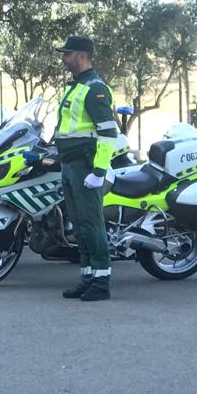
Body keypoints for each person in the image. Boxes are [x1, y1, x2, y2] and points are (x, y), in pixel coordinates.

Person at [54, 36, 117, 302]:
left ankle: (101, 283)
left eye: (67, 54)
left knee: (92, 225)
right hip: (70, 165)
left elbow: (109, 134)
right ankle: (87, 278)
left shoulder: (94, 89)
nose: (63, 58)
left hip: (85, 167)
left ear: (81, 56)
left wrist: (99, 172)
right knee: (79, 226)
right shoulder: (76, 86)